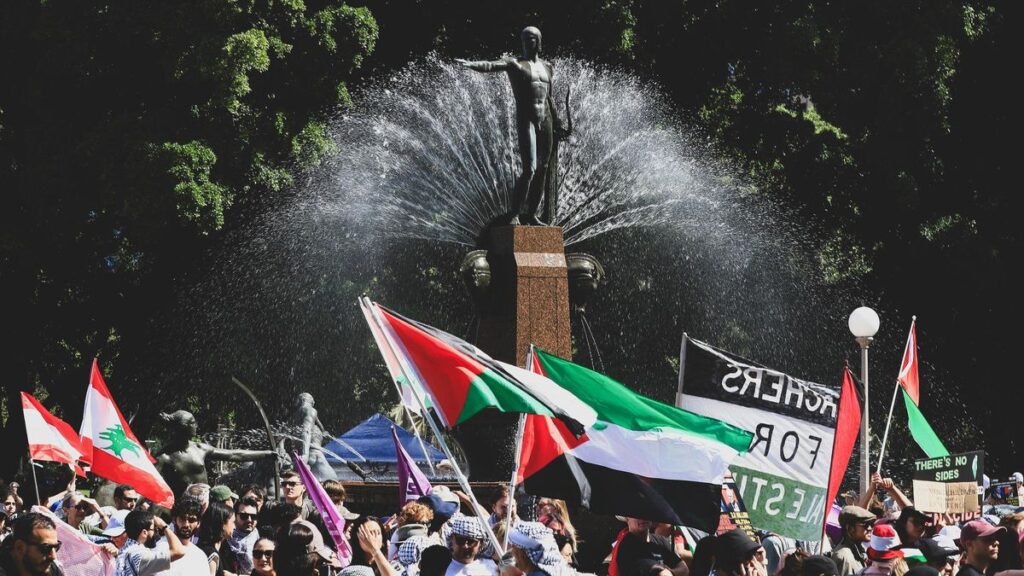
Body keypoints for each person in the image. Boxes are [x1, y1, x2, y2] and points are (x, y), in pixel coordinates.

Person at [456, 26, 569, 226]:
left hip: (546, 120)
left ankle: (532, 214)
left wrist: (558, 120)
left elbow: (549, 98)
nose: (527, 42)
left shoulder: (548, 67)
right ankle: (515, 213)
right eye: (524, 39)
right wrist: (472, 64)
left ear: (539, 42)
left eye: (531, 39)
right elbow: (491, 66)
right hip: (526, 119)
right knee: (530, 169)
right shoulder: (515, 63)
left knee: (543, 168)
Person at [154, 410, 276, 497]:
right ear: (184, 427)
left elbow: (234, 455)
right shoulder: (164, 457)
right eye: (193, 423)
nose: (196, 425)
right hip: (183, 509)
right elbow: (150, 481)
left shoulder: (199, 448)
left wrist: (266, 454)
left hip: (206, 502)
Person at [115, 508, 186, 576]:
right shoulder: (141, 557)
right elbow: (179, 552)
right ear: (144, 533)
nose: (157, 532)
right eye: (154, 529)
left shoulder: (125, 550)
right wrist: (164, 526)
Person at [153, 497, 210, 576]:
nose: (186, 524)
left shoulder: (200, 556)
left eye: (191, 520)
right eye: (182, 518)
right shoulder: (160, 547)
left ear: (198, 523)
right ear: (174, 519)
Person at [614, 517, 687, 576]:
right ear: (627, 519)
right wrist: (673, 572)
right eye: (636, 514)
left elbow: (684, 569)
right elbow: (662, 574)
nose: (642, 518)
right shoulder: (627, 545)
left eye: (645, 513)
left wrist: (672, 572)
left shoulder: (661, 540)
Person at [0, 513, 65, 576]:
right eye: (46, 548)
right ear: (20, 547)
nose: (53, 557)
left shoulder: (48, 566)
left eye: (56, 547)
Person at [197, 501, 239, 576]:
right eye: (233, 522)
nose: (235, 527)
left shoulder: (221, 549)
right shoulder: (211, 554)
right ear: (222, 524)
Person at [833, 506, 875, 575]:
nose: (870, 528)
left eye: (871, 524)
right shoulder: (843, 556)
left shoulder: (859, 550)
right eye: (866, 525)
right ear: (850, 528)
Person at [230, 496, 262, 574]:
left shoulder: (261, 537)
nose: (249, 520)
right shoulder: (227, 540)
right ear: (235, 515)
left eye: (253, 516)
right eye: (244, 516)